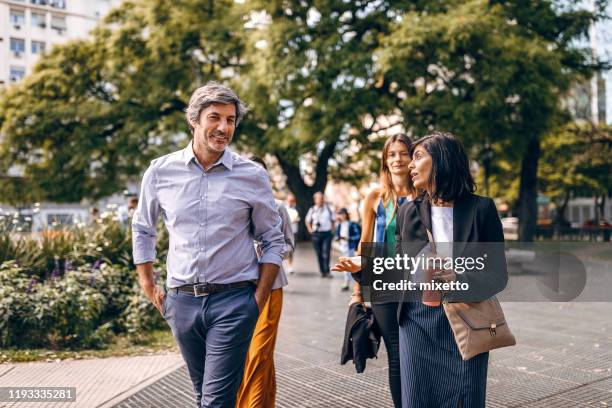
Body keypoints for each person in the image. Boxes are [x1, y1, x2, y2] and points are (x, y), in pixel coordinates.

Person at [132, 82, 285, 408]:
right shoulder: (160, 172)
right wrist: (148, 283)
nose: (224, 128)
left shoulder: (251, 175)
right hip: (182, 302)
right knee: (207, 396)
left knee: (215, 401)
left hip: (234, 303)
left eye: (230, 120)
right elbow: (143, 228)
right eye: (215, 117)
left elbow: (272, 237)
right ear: (194, 120)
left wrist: (257, 298)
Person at [395, 131, 508, 407]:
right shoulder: (407, 212)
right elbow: (398, 267)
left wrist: (456, 279)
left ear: (442, 160)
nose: (410, 164)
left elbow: (497, 275)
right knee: (418, 400)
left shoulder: (482, 209)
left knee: (465, 399)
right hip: (417, 321)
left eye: (419, 156)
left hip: (467, 318)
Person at [331, 134, 415, 408]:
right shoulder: (375, 198)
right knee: (396, 355)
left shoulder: (424, 194)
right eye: (391, 154)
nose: (398, 159)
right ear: (385, 161)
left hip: (418, 284)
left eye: (403, 153)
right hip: (384, 284)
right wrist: (358, 291)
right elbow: (365, 245)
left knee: (416, 354)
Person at [236, 156, 295, 408]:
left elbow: (289, 245)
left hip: (271, 287)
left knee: (260, 350)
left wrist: (268, 252)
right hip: (239, 288)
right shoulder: (235, 207)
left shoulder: (278, 207)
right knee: (250, 353)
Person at [305, 192, 335, 277]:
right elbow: (307, 220)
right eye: (318, 199)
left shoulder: (329, 209)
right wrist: (310, 230)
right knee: (319, 253)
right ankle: (322, 271)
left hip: (327, 233)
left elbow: (333, 220)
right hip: (316, 234)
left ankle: (327, 271)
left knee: (326, 252)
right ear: (315, 200)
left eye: (322, 198)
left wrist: (332, 229)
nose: (321, 200)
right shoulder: (312, 209)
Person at [334, 208, 361, 291]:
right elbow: (337, 235)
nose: (340, 216)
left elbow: (358, 235)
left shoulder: (351, 224)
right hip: (342, 247)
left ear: (345, 214)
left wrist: (348, 238)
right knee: (344, 265)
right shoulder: (339, 225)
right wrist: (338, 238)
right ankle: (348, 281)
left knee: (349, 265)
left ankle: (351, 282)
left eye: (341, 214)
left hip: (350, 247)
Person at [284, 194, 300, 274]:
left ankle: (290, 266)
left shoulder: (297, 209)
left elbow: (299, 218)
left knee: (291, 250)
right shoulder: (283, 209)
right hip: (284, 232)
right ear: (287, 200)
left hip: (294, 232)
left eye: (293, 200)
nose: (291, 202)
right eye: (290, 200)